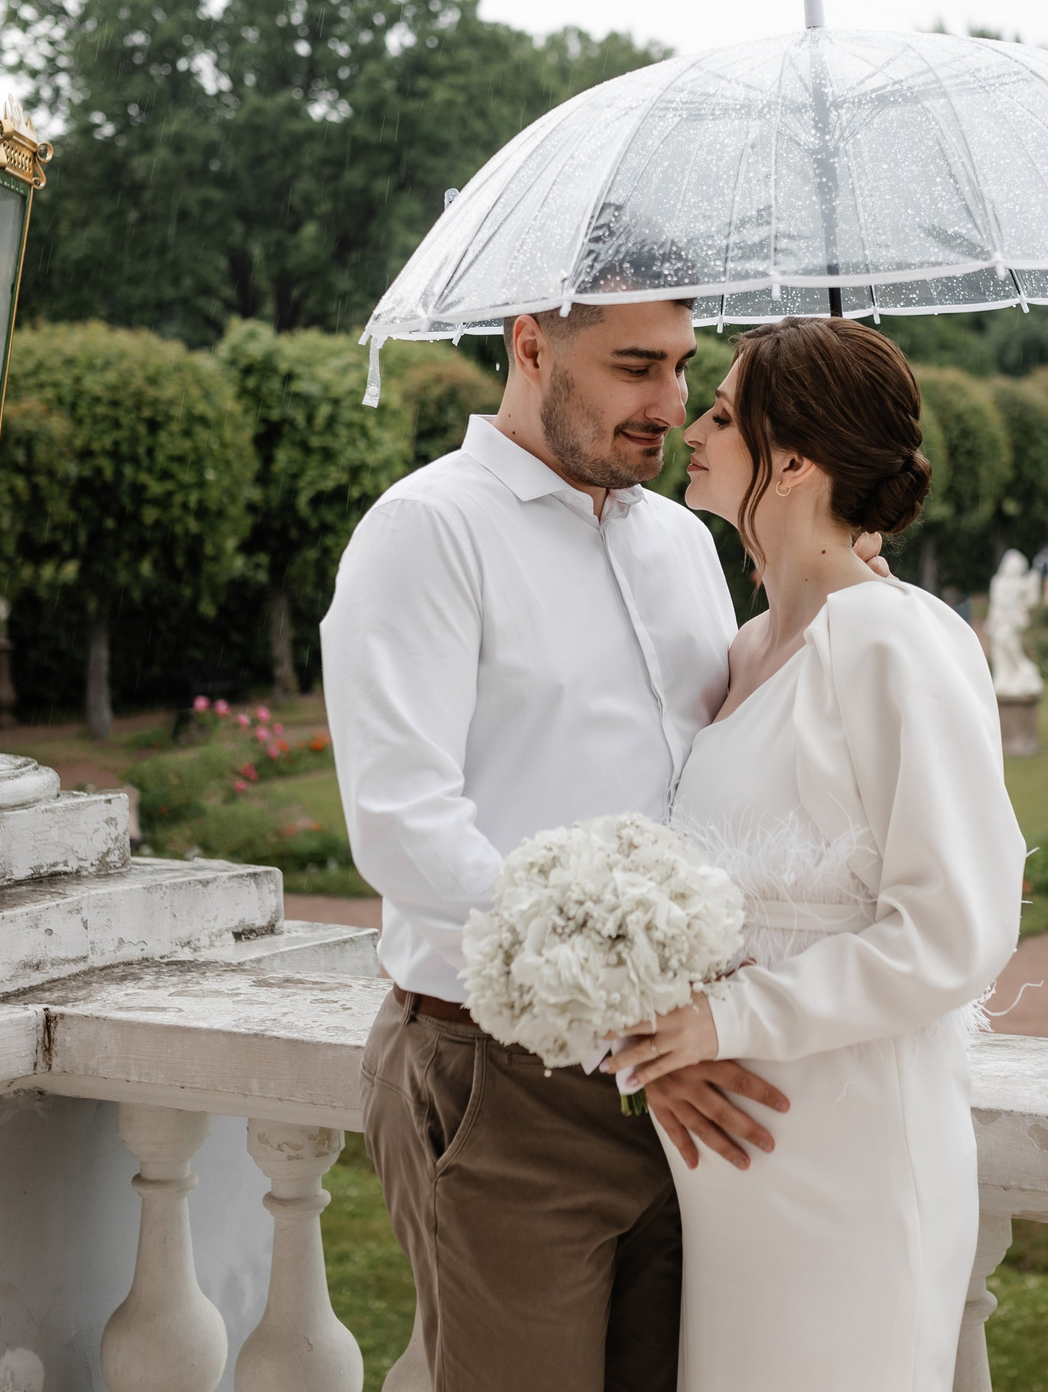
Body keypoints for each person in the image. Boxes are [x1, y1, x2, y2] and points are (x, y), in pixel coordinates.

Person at [322, 299, 793, 1392]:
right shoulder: (427, 529)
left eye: (682, 366)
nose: (671, 404)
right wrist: (629, 1015)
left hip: (689, 1085)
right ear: (530, 344)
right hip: (502, 1084)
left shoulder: (683, 540)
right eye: (636, 366)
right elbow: (403, 826)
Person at [605, 316, 1028, 1392]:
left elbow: (954, 929)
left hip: (850, 1148)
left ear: (792, 462)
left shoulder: (893, 639)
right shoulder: (747, 648)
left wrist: (727, 1019)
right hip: (735, 1161)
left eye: (720, 413)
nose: (692, 429)